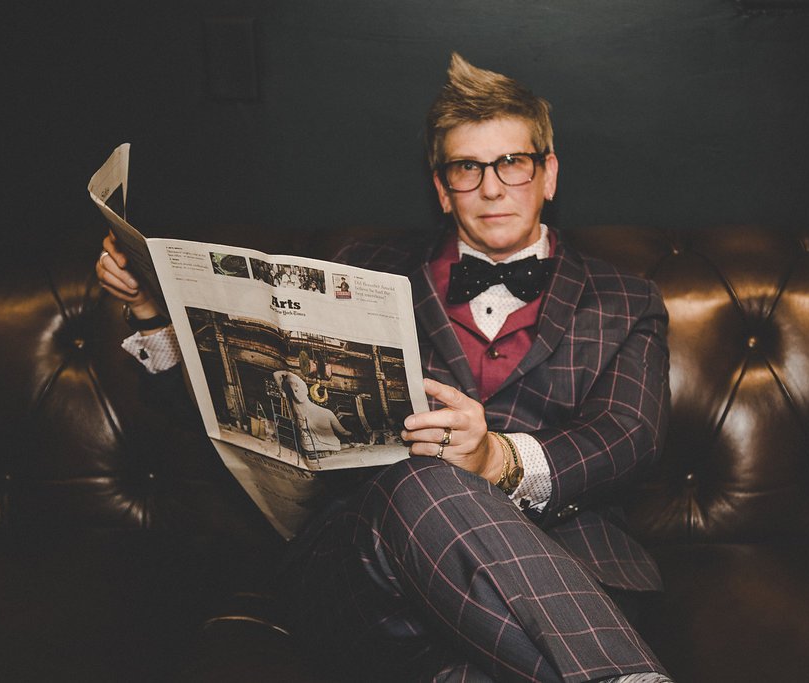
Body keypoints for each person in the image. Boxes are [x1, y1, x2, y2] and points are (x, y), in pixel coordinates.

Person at [96, 53, 672, 683]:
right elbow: (229, 404)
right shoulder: (361, 267)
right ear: (440, 186)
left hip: (571, 573)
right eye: (466, 167)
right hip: (366, 568)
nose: (491, 186)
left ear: (548, 174)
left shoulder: (626, 299)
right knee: (420, 480)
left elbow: (628, 433)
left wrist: (496, 461)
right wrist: (154, 317)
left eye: (513, 162)